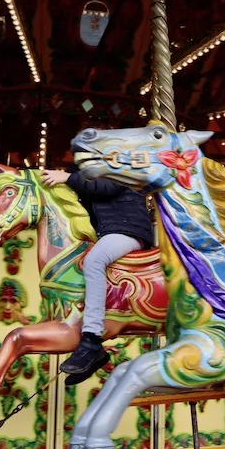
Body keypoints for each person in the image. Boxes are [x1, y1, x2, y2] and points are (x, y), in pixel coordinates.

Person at [41, 148, 154, 380]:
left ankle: (91, 339)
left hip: (128, 230)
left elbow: (105, 188)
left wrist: (68, 178)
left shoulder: (119, 166)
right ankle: (95, 350)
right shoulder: (86, 175)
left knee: (94, 260)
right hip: (109, 233)